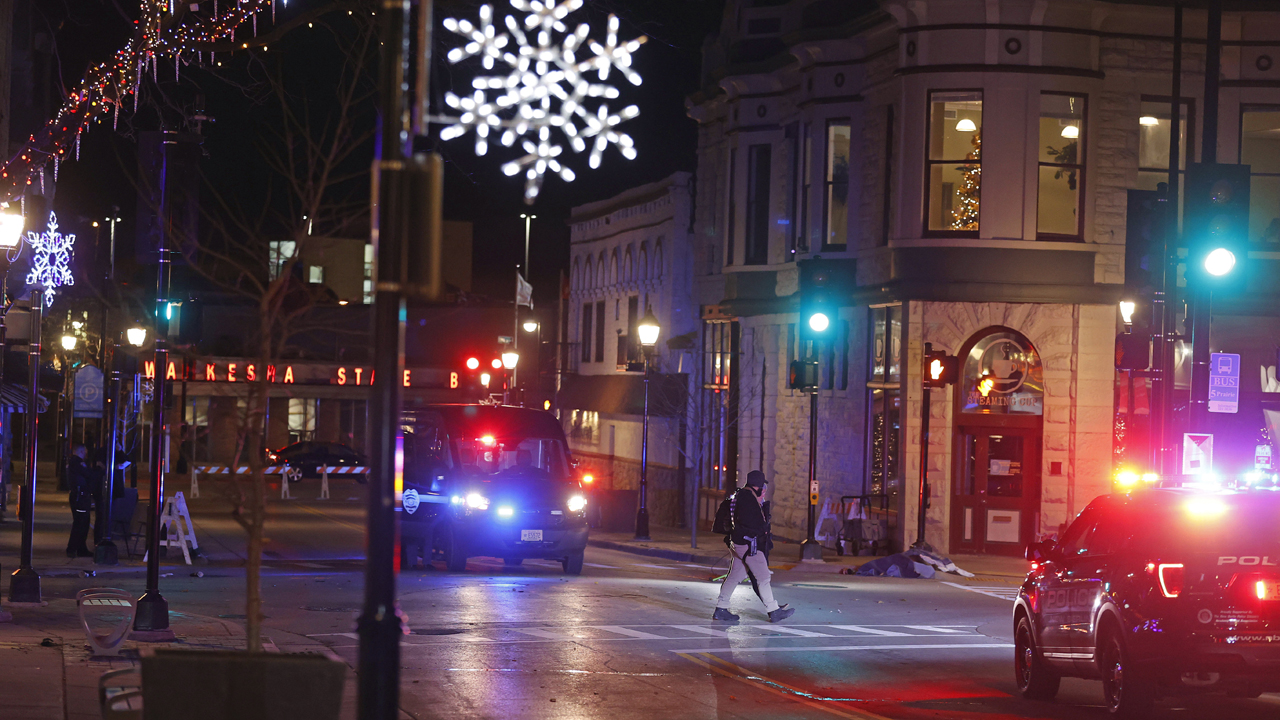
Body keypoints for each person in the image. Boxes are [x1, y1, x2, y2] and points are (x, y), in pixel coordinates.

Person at [712, 470, 795, 623]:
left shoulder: (739, 495)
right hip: (748, 545)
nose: (763, 491)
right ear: (757, 486)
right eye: (762, 487)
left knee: (734, 576)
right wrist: (762, 530)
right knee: (763, 577)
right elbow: (754, 524)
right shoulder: (748, 500)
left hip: (738, 543)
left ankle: (721, 608)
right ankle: (774, 611)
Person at [66, 444, 95, 558]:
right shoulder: (77, 463)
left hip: (79, 495)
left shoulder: (73, 462)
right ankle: (73, 548)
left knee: (83, 522)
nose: (86, 454)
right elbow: (89, 474)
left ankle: (80, 548)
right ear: (81, 451)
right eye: (85, 451)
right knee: (80, 523)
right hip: (80, 496)